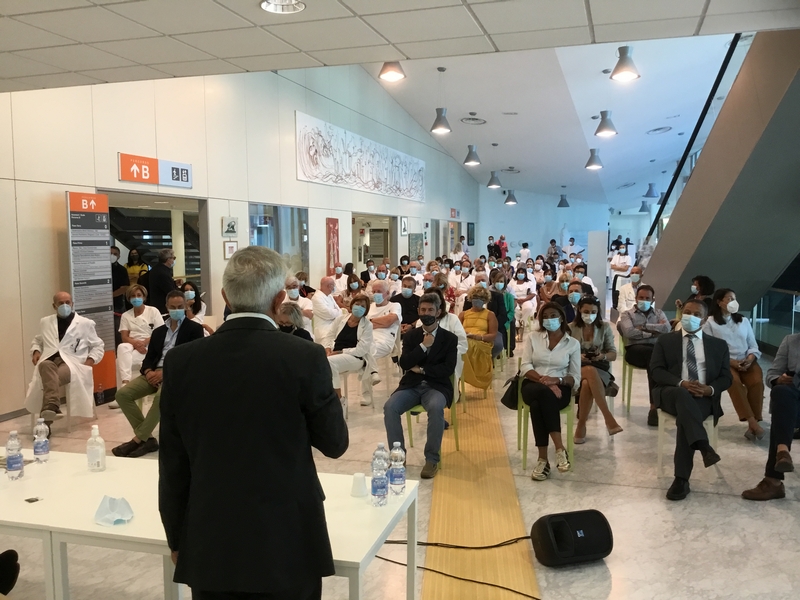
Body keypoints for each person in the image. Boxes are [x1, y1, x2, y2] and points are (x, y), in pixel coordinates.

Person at [158, 246, 348, 599]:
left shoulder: (181, 361)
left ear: (225, 296)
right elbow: (335, 443)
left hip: (211, 535)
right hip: (287, 535)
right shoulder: (304, 356)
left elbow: (173, 462)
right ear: (279, 299)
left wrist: (177, 537)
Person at [650, 300, 732, 501]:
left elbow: (726, 377)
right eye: (687, 312)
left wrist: (709, 389)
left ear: (704, 320)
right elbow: (656, 371)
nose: (690, 317)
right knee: (682, 395)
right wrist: (682, 383)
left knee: (686, 419)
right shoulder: (665, 341)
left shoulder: (718, 345)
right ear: (681, 314)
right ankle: (704, 446)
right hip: (671, 392)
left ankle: (681, 479)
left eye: (696, 314)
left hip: (703, 396)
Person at [113, 291, 204, 458]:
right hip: (154, 372)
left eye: (180, 307)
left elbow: (194, 360)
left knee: (161, 397)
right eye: (172, 307)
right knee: (123, 395)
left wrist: (165, 373)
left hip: (176, 375)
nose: (176, 310)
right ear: (167, 307)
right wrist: (148, 372)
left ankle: (138, 439)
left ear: (185, 306)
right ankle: (148, 439)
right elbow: (149, 358)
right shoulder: (159, 331)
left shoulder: (194, 329)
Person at [384, 292, 458, 479]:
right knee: (390, 407)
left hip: (437, 386)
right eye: (423, 310)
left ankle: (432, 459)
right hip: (411, 385)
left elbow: (447, 369)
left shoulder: (450, 338)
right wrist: (423, 346)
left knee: (435, 407)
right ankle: (397, 457)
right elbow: (405, 363)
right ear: (418, 311)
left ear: (438, 312)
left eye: (430, 310)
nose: (426, 313)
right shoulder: (411, 336)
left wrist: (423, 370)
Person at [24, 292, 105, 427]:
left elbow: (98, 345)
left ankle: (46, 423)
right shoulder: (46, 322)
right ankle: (52, 407)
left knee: (49, 380)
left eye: (67, 302)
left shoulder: (85, 323)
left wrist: (90, 361)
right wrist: (36, 351)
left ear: (72, 304)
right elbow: (38, 340)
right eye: (61, 303)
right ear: (54, 306)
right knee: (44, 365)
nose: (65, 305)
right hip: (50, 361)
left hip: (72, 364)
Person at [520, 302, 581, 480]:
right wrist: (545, 382)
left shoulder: (572, 344)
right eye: (545, 317)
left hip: (560, 388)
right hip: (532, 383)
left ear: (561, 318)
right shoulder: (533, 337)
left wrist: (557, 381)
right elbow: (525, 366)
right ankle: (560, 448)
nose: (549, 320)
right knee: (543, 394)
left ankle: (542, 460)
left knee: (538, 405)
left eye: (553, 316)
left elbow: (575, 376)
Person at [742, 332, 800, 501]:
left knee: (783, 414)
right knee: (781, 393)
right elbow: (772, 375)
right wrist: (779, 380)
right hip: (794, 400)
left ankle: (773, 477)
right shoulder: (791, 341)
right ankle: (782, 453)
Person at [703, 288, 764, 439]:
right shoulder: (710, 323)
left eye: (734, 299)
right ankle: (752, 422)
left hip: (746, 360)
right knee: (734, 383)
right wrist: (731, 362)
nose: (733, 302)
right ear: (719, 302)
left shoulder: (743, 321)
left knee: (756, 382)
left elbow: (753, 345)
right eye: (729, 299)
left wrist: (750, 359)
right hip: (725, 363)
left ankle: (754, 423)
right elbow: (709, 349)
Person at [617, 285, 671, 426]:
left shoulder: (659, 313)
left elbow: (667, 328)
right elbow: (629, 332)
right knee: (655, 359)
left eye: (647, 298)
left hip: (655, 351)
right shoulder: (627, 314)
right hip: (634, 351)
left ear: (652, 299)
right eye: (641, 297)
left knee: (658, 359)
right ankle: (655, 406)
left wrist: (644, 327)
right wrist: (653, 332)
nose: (644, 300)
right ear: (636, 299)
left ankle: (667, 402)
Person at [570, 297, 622, 443]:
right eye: (586, 311)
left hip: (600, 368)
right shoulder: (570, 328)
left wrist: (602, 356)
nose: (589, 315)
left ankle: (581, 425)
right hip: (576, 368)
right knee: (589, 371)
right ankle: (608, 417)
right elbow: (563, 354)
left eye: (593, 312)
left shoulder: (604, 327)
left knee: (587, 382)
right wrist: (577, 356)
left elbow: (613, 354)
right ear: (579, 310)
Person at [322, 294, 378, 410]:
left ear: (366, 310)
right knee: (319, 362)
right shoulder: (340, 319)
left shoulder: (367, 325)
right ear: (352, 305)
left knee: (330, 363)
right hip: (334, 354)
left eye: (363, 306)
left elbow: (361, 350)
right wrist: (327, 348)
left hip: (355, 357)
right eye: (357, 304)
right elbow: (329, 335)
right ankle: (324, 398)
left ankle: (338, 400)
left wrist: (340, 352)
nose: (359, 307)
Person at [114, 285, 165, 406]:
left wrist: (145, 342)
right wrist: (136, 343)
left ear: (144, 297)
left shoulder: (153, 311)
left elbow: (161, 333)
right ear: (129, 298)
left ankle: (123, 394)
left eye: (138, 295)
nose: (136, 298)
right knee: (122, 347)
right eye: (133, 296)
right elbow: (124, 337)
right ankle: (125, 383)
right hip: (132, 344)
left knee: (119, 361)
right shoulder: (126, 315)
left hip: (150, 346)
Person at [460, 285, 502, 375]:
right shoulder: (463, 314)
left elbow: (493, 335)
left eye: (480, 298)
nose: (477, 300)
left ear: (485, 300)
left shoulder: (490, 315)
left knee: (472, 345)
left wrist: (478, 337)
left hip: (482, 341)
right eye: (475, 297)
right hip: (465, 340)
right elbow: (457, 330)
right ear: (471, 298)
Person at [368, 279, 402, 363]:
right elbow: (363, 324)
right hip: (367, 338)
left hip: (384, 341)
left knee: (365, 354)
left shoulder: (395, 306)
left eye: (379, 291)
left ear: (387, 293)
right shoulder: (369, 307)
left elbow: (389, 320)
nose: (376, 294)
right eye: (374, 291)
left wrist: (370, 320)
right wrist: (384, 323)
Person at [312, 276, 344, 341]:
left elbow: (339, 311)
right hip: (323, 332)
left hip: (333, 328)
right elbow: (328, 314)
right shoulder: (316, 298)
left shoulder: (329, 296)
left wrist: (336, 312)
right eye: (334, 285)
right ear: (329, 286)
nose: (335, 287)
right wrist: (336, 312)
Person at [148, 248, 179, 314]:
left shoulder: (157, 269)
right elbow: (170, 291)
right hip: (162, 307)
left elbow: (163, 284)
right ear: (168, 259)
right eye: (173, 258)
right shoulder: (162, 273)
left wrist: (174, 283)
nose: (174, 260)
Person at [110, 245, 130, 316]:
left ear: (119, 256)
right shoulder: (100, 269)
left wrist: (109, 296)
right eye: (110, 253)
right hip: (100, 303)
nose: (112, 256)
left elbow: (124, 288)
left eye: (115, 254)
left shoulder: (122, 270)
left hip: (117, 305)